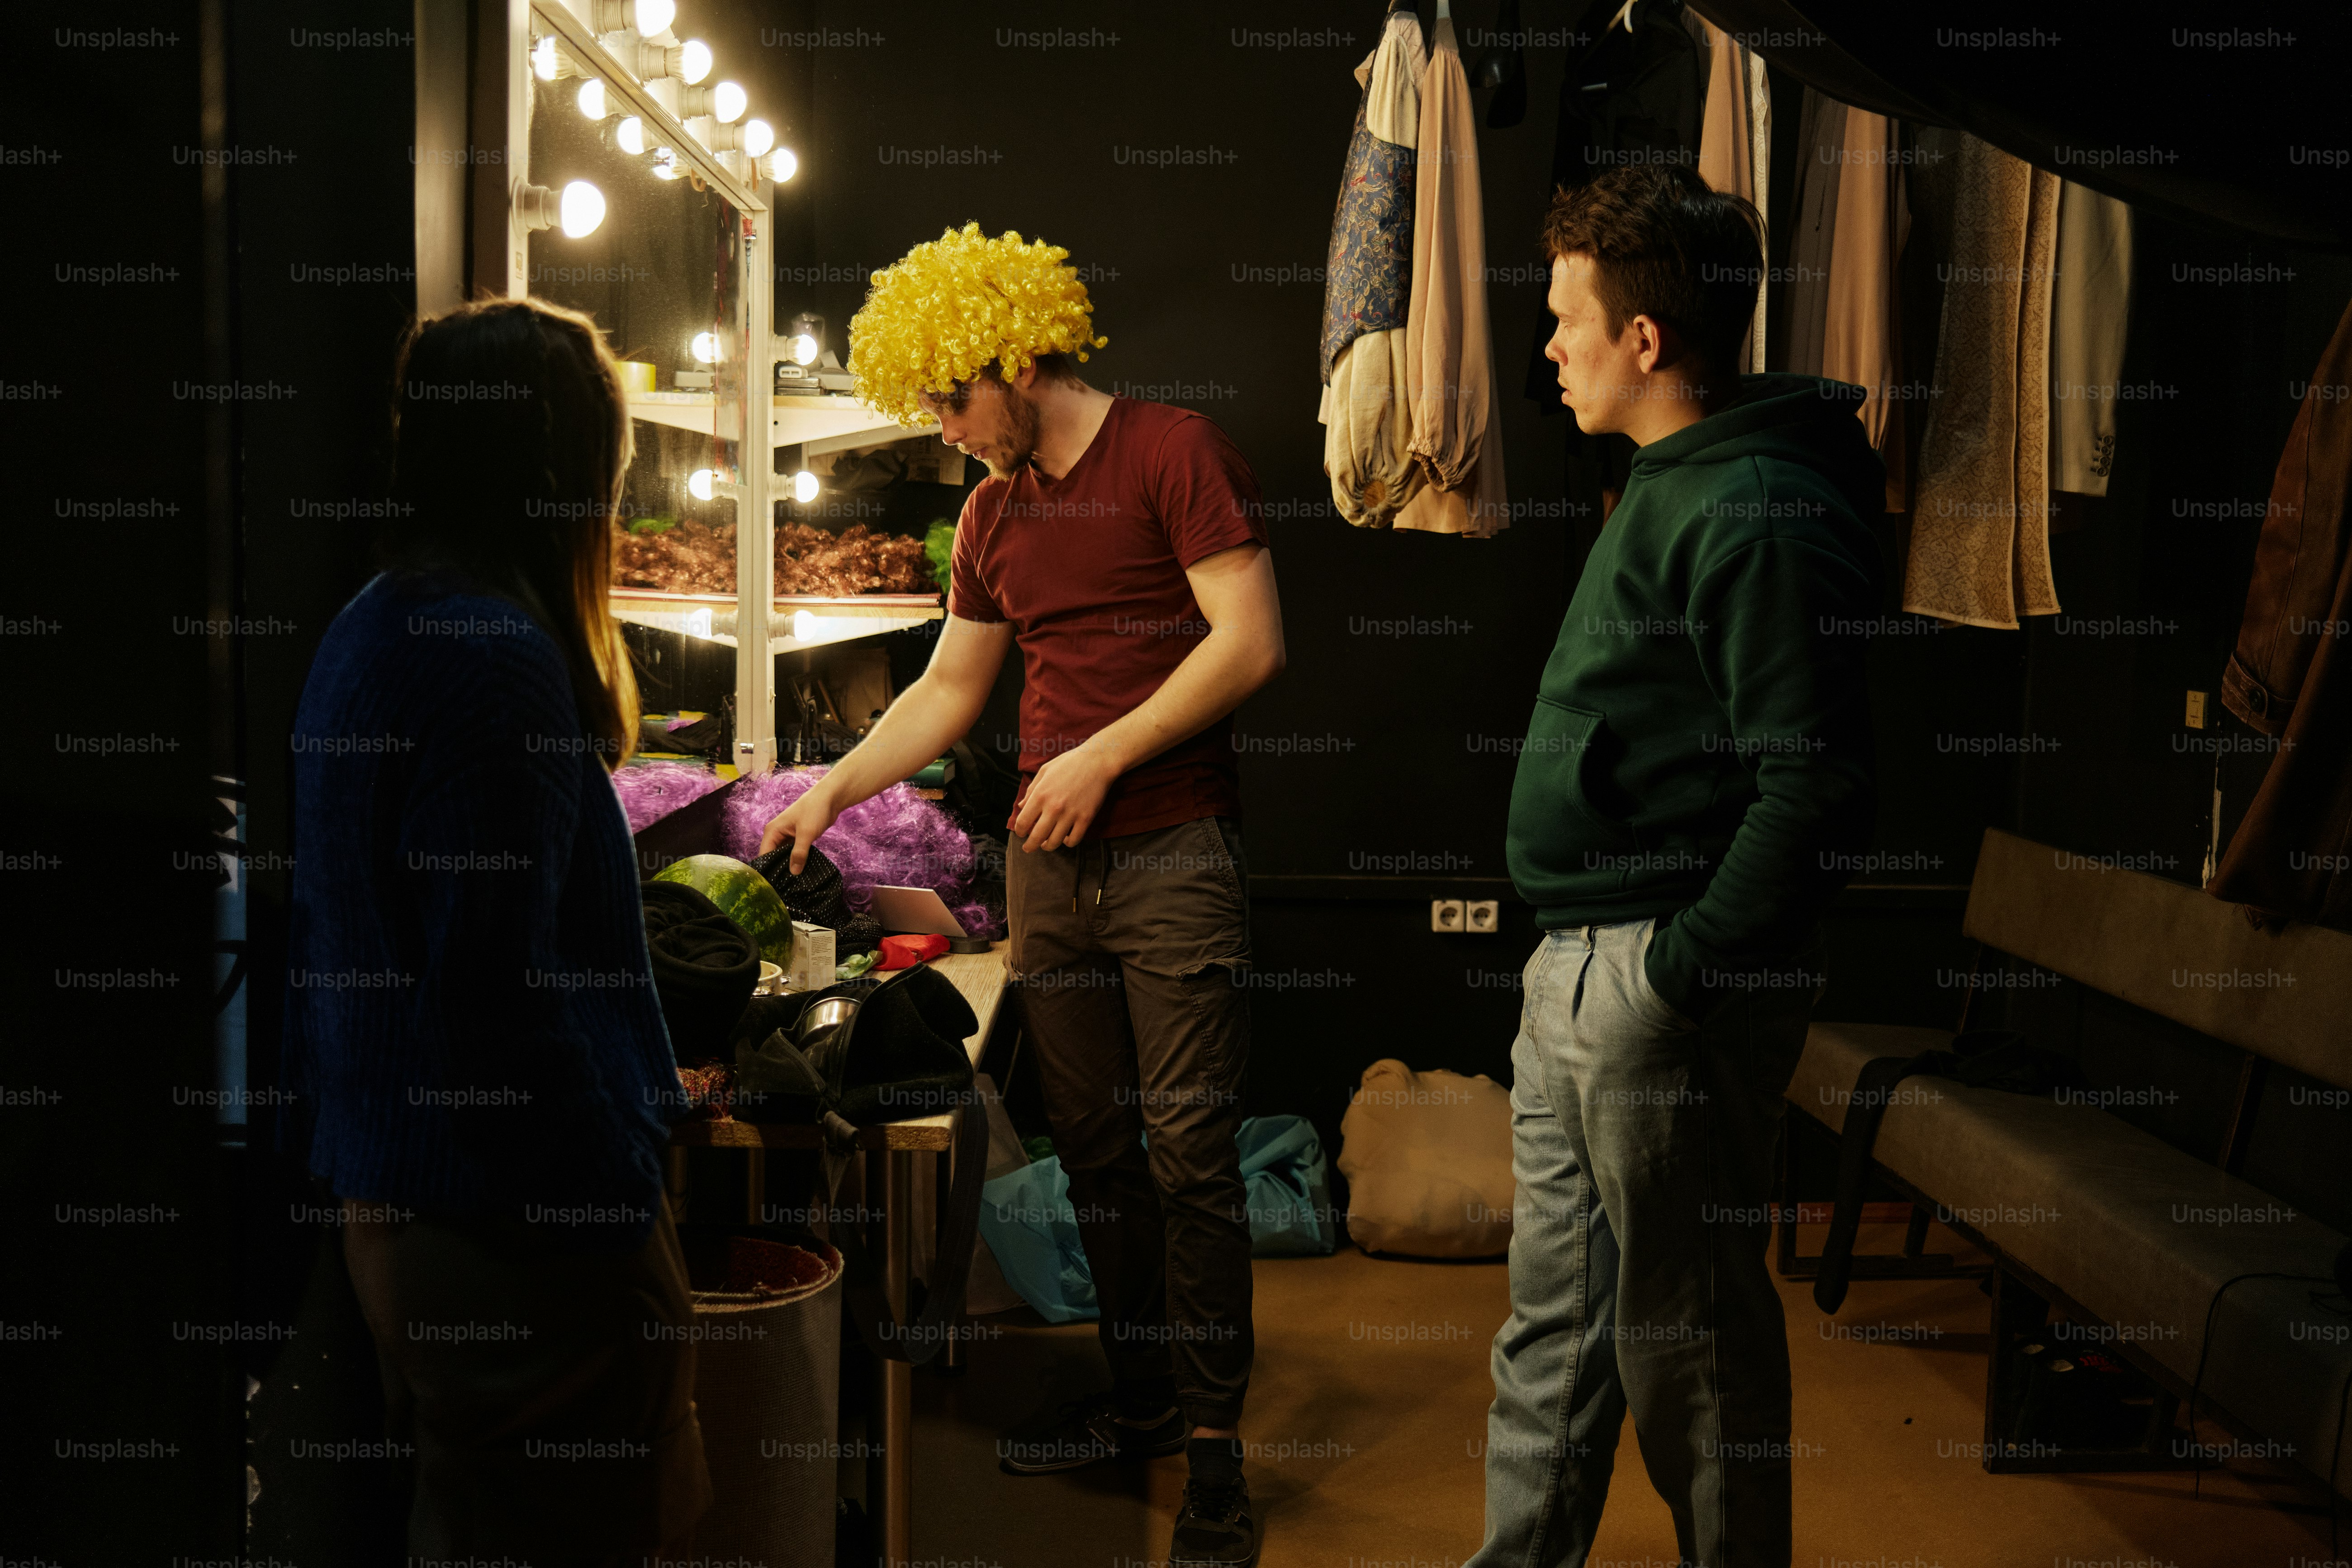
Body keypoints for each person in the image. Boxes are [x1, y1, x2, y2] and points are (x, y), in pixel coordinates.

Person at [757, 223, 1285, 1568]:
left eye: (952, 398)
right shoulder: (993, 514)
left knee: (1191, 1158)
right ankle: (1145, 1397)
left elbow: (1250, 642)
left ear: (1016, 355)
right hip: (1053, 870)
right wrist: (829, 792)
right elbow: (950, 686)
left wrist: (1100, 755)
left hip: (1173, 852)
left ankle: (1216, 1460)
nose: (945, 430)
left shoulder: (1173, 452)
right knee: (1095, 1151)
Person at [1473, 165, 1881, 1568]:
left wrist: (1679, 978)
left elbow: (1817, 782)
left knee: (1692, 1348)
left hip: (1652, 983)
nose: (1549, 346)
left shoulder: (1757, 504)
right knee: (1555, 1337)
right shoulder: (1671, 477)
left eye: (1566, 319)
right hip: (1579, 969)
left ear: (1643, 339)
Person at [284, 297, 709, 1564]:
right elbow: (494, 1001)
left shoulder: (374, 620)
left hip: (408, 1205)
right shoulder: (493, 658)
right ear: (562, 471)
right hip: (511, 1232)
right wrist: (620, 1190)